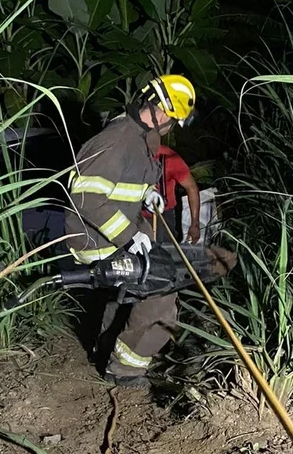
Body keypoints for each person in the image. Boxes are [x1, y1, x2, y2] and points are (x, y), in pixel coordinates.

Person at [63, 75, 196, 386]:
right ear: (162, 112)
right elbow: (85, 197)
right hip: (97, 238)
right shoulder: (119, 139)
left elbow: (122, 181)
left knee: (129, 292)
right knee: (160, 294)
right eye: (173, 121)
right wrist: (129, 236)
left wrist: (147, 192)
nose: (171, 128)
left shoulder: (137, 138)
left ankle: (106, 351)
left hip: (114, 232)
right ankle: (126, 369)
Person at [142, 144, 202, 245]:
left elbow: (191, 188)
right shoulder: (131, 154)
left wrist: (194, 224)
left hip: (163, 217)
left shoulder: (169, 158)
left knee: (164, 251)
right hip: (136, 215)